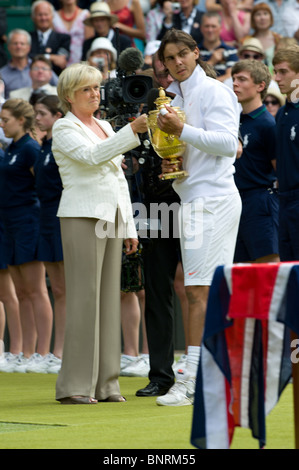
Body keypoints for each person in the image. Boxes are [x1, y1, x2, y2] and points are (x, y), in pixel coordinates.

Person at [137, 29, 241, 406]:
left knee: (198, 291)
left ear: (196, 54)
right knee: (204, 291)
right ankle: (212, 376)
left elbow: (230, 144)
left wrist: (183, 130)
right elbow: (198, 148)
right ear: (163, 63)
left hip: (211, 200)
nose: (178, 62)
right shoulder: (176, 96)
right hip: (194, 197)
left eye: (184, 54)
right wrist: (174, 161)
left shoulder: (214, 91)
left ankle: (194, 380)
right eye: (171, 58)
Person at [51, 62, 148, 404]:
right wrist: (132, 131)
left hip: (112, 217)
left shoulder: (106, 125)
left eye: (96, 88)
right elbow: (92, 158)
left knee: (109, 299)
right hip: (81, 215)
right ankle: (75, 386)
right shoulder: (64, 128)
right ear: (68, 96)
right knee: (84, 299)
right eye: (86, 90)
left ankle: (106, 384)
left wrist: (130, 226)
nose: (95, 94)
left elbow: (119, 181)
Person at [0, 99, 54, 373]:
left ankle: (43, 353)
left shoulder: (31, 149)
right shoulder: (10, 148)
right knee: (21, 292)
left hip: (28, 223)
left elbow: (40, 185)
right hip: (9, 225)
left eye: (5, 119)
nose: (1, 124)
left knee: (36, 290)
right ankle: (25, 351)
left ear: (21, 120)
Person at [231, 59, 279, 264]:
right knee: (239, 275)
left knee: (267, 269)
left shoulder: (268, 124)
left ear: (260, 86)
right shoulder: (233, 120)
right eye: (233, 79)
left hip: (260, 201)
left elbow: (280, 170)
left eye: (242, 79)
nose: (235, 84)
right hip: (234, 201)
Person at [33, 94, 65, 373]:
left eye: (42, 113)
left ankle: (63, 351)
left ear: (57, 116)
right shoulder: (44, 145)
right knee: (57, 289)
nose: (38, 118)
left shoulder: (61, 145)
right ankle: (57, 351)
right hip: (45, 217)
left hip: (62, 217)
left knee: (66, 290)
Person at [272, 45, 299, 262]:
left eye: (283, 72)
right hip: (284, 201)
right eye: (275, 71)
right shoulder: (281, 113)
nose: (276, 77)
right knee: (288, 268)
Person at [29, 1, 71, 76]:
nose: (43, 18)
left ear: (52, 16)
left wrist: (37, 56)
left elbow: (61, 61)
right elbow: (26, 58)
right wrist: (51, 57)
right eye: (39, 15)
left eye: (46, 14)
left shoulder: (64, 38)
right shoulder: (27, 37)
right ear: (33, 17)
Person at [198, 11, 239, 83]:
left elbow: (231, 77)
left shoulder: (231, 51)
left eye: (213, 26)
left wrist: (207, 84)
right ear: (201, 28)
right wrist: (212, 61)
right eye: (207, 26)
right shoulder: (195, 51)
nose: (210, 30)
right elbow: (194, 77)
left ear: (220, 28)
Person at [241, 3, 281, 73]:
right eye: (258, 14)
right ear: (253, 19)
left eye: (265, 14)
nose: (262, 18)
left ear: (271, 17)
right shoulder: (246, 41)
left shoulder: (279, 39)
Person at [52, 0, 95, 65]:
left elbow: (89, 43)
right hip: (60, 64)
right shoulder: (53, 16)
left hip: (82, 62)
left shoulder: (86, 15)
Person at [0, 29, 34, 99]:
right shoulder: (2, 74)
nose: (19, 47)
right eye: (15, 43)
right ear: (8, 47)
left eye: (22, 44)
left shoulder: (41, 69)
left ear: (29, 48)